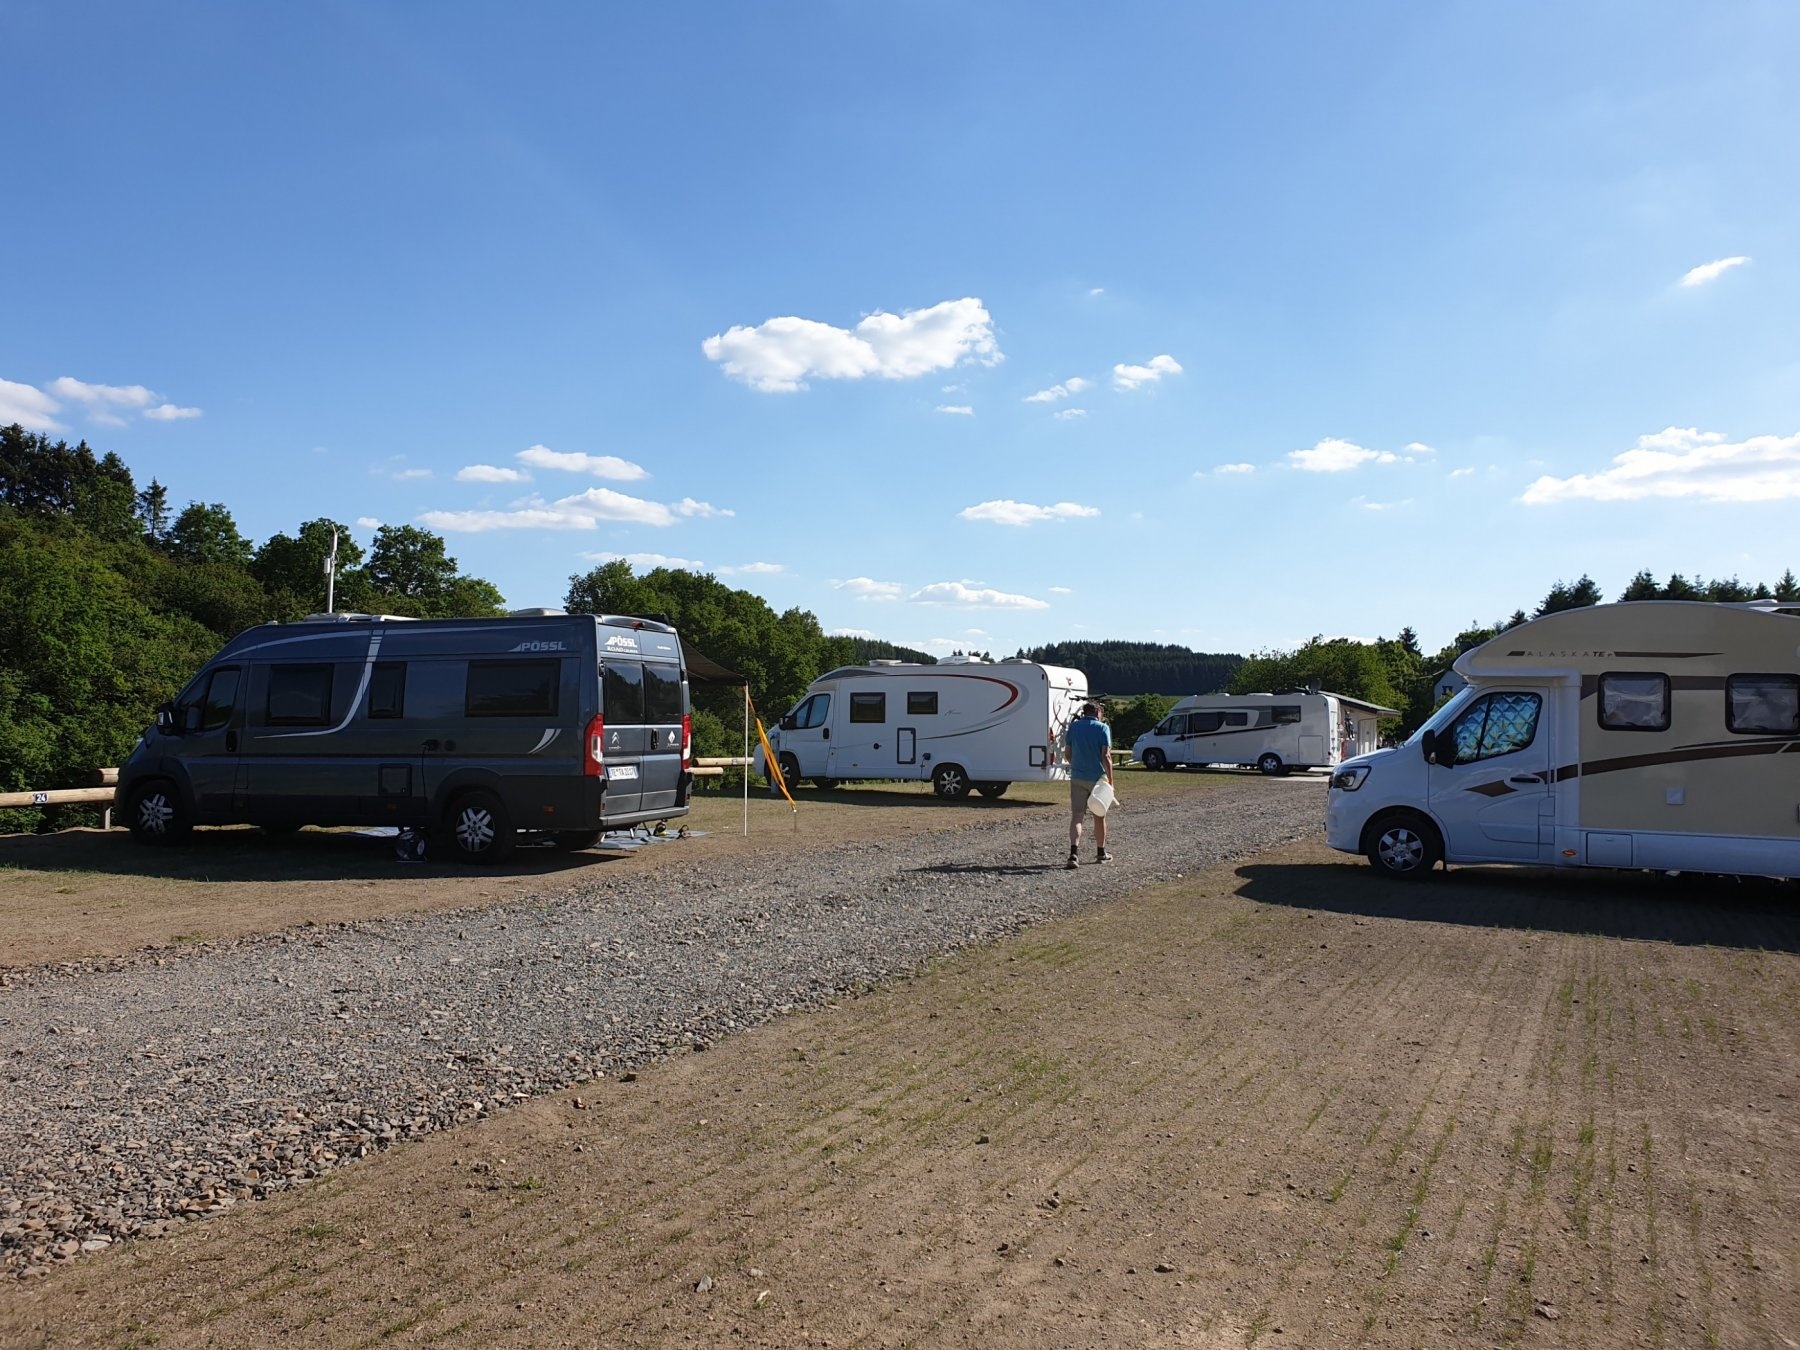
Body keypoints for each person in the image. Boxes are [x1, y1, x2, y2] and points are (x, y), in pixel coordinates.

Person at [1064, 701, 1114, 868]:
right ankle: (1101, 852)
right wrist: (1111, 780)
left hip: (1077, 776)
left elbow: (1068, 753)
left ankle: (1073, 853)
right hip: (1098, 779)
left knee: (1077, 816)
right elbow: (1105, 756)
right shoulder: (1102, 728)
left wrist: (1076, 765)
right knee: (1099, 816)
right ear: (1097, 712)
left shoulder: (1074, 727)